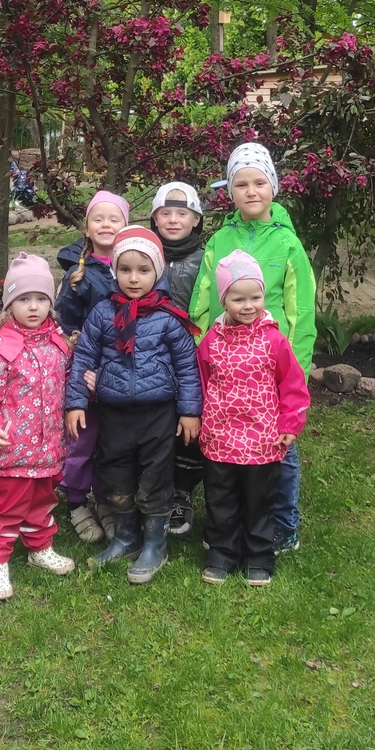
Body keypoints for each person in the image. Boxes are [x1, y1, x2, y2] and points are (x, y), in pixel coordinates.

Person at [189, 142, 316, 554]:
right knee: (227, 443)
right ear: (230, 191)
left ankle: (284, 525)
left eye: (259, 182)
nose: (251, 191)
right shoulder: (219, 241)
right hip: (226, 363)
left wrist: (295, 368)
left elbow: (302, 311)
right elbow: (202, 301)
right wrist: (203, 353)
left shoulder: (288, 244)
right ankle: (232, 521)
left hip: (271, 364)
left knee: (280, 447)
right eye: (241, 184)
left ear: (273, 187)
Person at [66, 225, 203, 585]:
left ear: (157, 271)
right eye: (125, 269)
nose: (133, 278)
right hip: (114, 413)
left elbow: (188, 368)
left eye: (143, 270)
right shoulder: (102, 314)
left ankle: (155, 544)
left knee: (156, 477)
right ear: (114, 270)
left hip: (158, 415)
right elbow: (83, 359)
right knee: (115, 474)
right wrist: (76, 402)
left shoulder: (168, 318)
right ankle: (126, 537)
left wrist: (190, 411)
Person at [0, 252, 75, 600]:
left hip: (49, 449)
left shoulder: (58, 344)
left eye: (41, 299)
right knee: (5, 507)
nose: (33, 307)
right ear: (9, 304)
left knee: (43, 502)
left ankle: (39, 547)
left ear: (51, 303)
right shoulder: (2, 348)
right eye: (24, 299)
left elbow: (69, 383)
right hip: (11, 450)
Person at [197, 250, 310, 585]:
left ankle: (259, 555)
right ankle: (221, 553)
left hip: (262, 439)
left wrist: (290, 424)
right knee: (220, 498)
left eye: (255, 298)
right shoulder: (211, 341)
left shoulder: (274, 340)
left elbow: (293, 385)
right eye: (238, 299)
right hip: (220, 438)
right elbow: (201, 381)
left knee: (260, 500)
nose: (248, 306)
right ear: (223, 300)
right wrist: (199, 418)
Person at [55, 190, 129, 545]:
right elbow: (67, 325)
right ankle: (75, 500)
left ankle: (105, 500)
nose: (106, 225)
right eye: (98, 219)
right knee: (82, 438)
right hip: (86, 371)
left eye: (114, 219)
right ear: (86, 227)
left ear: (126, 226)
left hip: (122, 372)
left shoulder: (135, 266)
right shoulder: (78, 274)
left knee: (111, 442)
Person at [150, 180, 205, 536]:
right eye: (165, 213)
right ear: (154, 218)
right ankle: (153, 491)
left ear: (196, 219)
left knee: (190, 424)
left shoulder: (206, 258)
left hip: (192, 355)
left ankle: (181, 492)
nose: (173, 220)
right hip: (151, 354)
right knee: (156, 425)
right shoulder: (142, 254)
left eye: (182, 213)